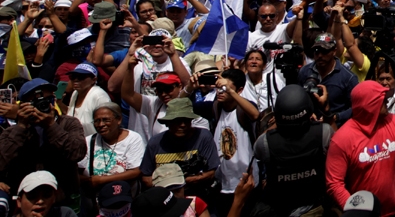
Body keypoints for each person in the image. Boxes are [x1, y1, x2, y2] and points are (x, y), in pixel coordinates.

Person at [325, 81, 395, 217]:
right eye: (382, 98)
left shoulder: (393, 122)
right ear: (369, 104)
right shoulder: (342, 139)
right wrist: (355, 211)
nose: (387, 100)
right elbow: (334, 183)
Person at [0, 79, 87, 211]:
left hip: (63, 199)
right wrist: (21, 126)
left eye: (48, 100)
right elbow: (1, 163)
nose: (43, 105)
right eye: (36, 102)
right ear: (23, 105)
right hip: (27, 203)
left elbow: (77, 153)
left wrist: (51, 126)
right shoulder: (12, 132)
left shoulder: (69, 123)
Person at [253, 85, 333, 217]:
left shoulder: (265, 143)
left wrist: (277, 122)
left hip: (280, 207)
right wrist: (325, 110)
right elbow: (336, 144)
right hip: (314, 205)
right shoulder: (323, 133)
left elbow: (257, 150)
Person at [139, 98, 219, 199]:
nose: (182, 125)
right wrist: (171, 184)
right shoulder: (155, 142)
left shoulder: (203, 137)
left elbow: (212, 172)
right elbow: (146, 178)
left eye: (186, 120)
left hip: (197, 196)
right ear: (167, 123)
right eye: (177, 121)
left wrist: (191, 180)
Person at [211, 69, 259, 216]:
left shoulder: (243, 109)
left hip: (246, 183)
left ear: (239, 90)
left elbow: (255, 114)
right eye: (219, 88)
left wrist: (231, 92)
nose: (221, 92)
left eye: (225, 89)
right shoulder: (216, 108)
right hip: (223, 183)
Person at [79, 103, 146, 198]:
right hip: (98, 199)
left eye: (106, 120)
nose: (101, 124)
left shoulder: (133, 139)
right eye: (97, 121)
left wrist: (101, 180)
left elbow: (136, 171)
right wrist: (89, 181)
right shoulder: (88, 141)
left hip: (126, 198)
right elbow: (78, 173)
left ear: (119, 120)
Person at [298, 32, 358, 124]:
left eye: (325, 51)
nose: (320, 55)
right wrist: (306, 112)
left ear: (334, 51)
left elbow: (356, 107)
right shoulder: (304, 71)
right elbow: (299, 98)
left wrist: (335, 117)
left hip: (336, 128)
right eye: (317, 51)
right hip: (309, 127)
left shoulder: (348, 78)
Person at [58, 62, 111, 136]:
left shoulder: (99, 96)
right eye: (73, 77)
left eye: (81, 77)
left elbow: (107, 124)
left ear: (94, 79)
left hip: (94, 142)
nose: (76, 80)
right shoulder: (75, 93)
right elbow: (71, 115)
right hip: (77, 141)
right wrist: (59, 103)